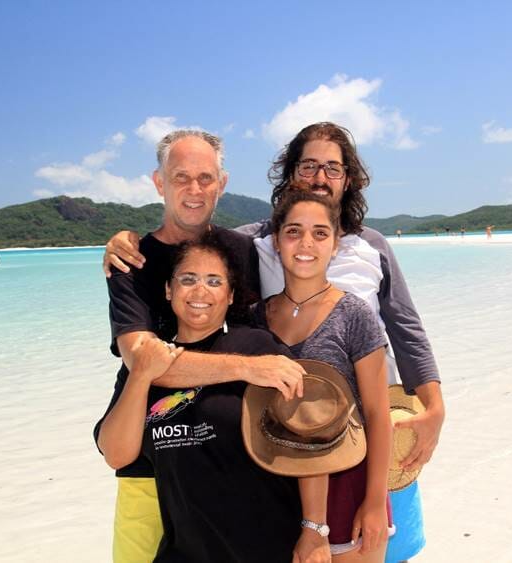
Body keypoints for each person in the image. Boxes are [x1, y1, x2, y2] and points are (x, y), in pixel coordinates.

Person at [104, 122, 445, 561]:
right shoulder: (246, 246)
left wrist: (434, 408)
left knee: (386, 548)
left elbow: (406, 328)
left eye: (333, 168)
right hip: (217, 449)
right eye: (308, 166)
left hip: (347, 446)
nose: (320, 178)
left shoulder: (366, 246)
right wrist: (120, 239)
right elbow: (150, 347)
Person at [100, 129, 306, 562]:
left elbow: (304, 245)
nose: (194, 190)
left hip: (227, 460)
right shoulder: (132, 260)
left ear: (222, 183)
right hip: (148, 458)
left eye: (205, 178)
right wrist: (247, 368)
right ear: (159, 182)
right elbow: (145, 357)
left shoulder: (239, 250)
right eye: (180, 177)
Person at [257, 190, 392, 561]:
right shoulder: (256, 317)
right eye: (293, 231)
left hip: (347, 482)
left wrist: (376, 501)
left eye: (320, 233)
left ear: (335, 245)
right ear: (275, 242)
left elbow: (379, 414)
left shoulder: (354, 315)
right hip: (275, 484)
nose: (306, 243)